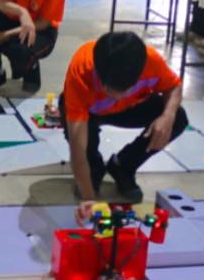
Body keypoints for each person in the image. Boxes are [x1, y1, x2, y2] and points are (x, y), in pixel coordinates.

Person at [64, 32, 189, 215]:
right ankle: (95, 170)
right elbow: (78, 148)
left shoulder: (151, 61)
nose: (115, 96)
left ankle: (123, 166)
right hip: (91, 110)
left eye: (123, 90)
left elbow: (174, 86)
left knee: (178, 118)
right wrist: (88, 199)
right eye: (109, 89)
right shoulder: (82, 70)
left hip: (131, 106)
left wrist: (167, 117)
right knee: (87, 168)